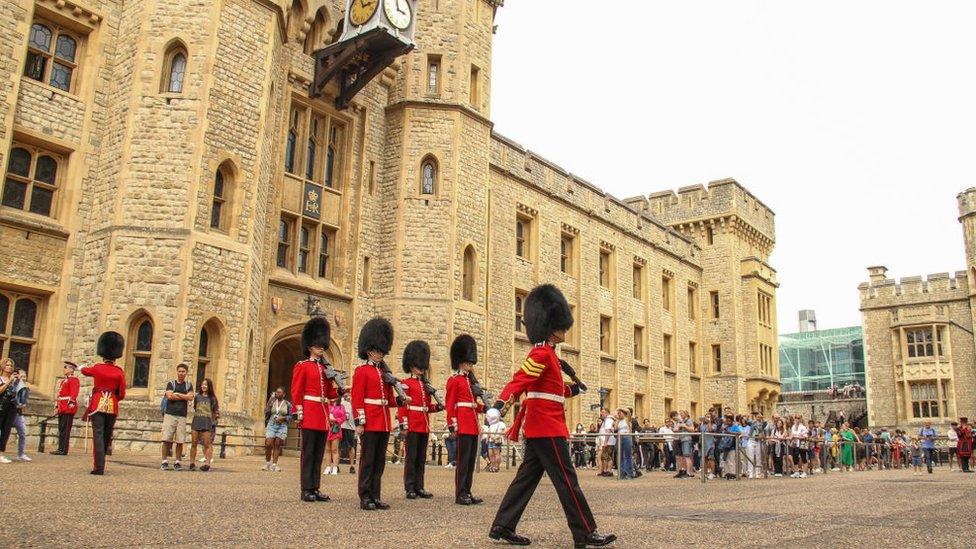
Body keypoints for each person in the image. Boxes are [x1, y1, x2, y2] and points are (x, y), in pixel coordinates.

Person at [489, 284, 616, 548]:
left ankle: (503, 525)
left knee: (525, 479)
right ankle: (585, 532)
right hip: (547, 428)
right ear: (549, 325)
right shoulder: (541, 353)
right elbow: (521, 380)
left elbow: (551, 390)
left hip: (541, 428)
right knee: (567, 480)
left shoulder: (549, 355)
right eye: (560, 324)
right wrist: (499, 404)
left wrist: (573, 389)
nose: (565, 329)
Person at [351, 317, 399, 511]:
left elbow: (389, 400)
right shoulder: (361, 371)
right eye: (377, 351)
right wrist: (360, 421)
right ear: (369, 351)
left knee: (379, 461)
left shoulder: (384, 374)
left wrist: (402, 400)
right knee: (368, 460)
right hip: (370, 421)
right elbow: (357, 398)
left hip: (383, 422)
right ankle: (365, 495)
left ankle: (375, 495)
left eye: (382, 351)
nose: (380, 354)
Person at [291, 316, 341, 502]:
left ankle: (315, 487)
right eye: (318, 345)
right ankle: (306, 489)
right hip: (310, 413)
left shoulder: (325, 369)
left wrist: (342, 390)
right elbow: (297, 391)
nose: (321, 348)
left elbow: (329, 393)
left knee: (319, 453)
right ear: (310, 346)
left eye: (322, 345)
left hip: (322, 415)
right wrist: (298, 413)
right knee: (309, 452)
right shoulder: (302, 366)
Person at [396, 340, 442, 498]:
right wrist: (404, 424)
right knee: (411, 457)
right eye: (417, 365)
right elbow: (402, 406)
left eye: (422, 366)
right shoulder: (405, 384)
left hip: (423, 425)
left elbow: (427, 408)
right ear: (411, 366)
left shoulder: (425, 386)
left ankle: (419, 486)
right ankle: (409, 487)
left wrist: (438, 407)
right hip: (413, 425)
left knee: (421, 457)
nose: (420, 369)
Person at [446, 334, 487, 505]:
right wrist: (453, 425)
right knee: (463, 462)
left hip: (472, 425)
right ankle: (460, 493)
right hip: (462, 425)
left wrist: (486, 408)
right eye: (467, 363)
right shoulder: (454, 380)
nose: (469, 366)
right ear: (460, 362)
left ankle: (467, 491)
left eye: (470, 363)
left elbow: (472, 405)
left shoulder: (470, 382)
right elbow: (451, 405)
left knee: (470, 462)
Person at [80, 331, 127, 475]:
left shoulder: (98, 368)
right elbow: (122, 393)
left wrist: (80, 367)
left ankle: (98, 466)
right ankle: (101, 462)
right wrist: (113, 398)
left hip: (97, 405)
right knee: (106, 436)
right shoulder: (119, 372)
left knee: (98, 436)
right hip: (112, 405)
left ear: (103, 354)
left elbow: (85, 371)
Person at [160, 364, 193, 471]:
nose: (181, 373)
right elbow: (170, 396)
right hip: (170, 414)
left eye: (183, 371)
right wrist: (184, 396)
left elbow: (190, 397)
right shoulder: (171, 384)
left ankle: (177, 461)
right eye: (179, 371)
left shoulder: (188, 385)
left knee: (180, 440)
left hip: (182, 416)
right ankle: (164, 461)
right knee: (166, 439)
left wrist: (177, 394)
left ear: (186, 372)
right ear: (177, 372)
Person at [188, 378, 219, 471]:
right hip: (197, 421)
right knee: (194, 443)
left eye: (205, 384)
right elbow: (195, 407)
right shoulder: (197, 397)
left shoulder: (212, 398)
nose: (204, 386)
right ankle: (192, 463)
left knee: (207, 444)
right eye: (202, 384)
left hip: (207, 423)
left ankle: (207, 464)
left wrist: (213, 422)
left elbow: (215, 411)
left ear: (209, 386)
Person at [52, 361, 81, 455]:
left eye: (66, 367)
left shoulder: (74, 379)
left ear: (71, 369)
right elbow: (59, 394)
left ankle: (63, 449)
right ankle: (60, 448)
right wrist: (57, 406)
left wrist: (70, 404)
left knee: (65, 429)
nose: (64, 369)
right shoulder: (64, 381)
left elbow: (74, 393)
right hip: (62, 406)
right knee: (61, 428)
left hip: (68, 407)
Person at [263, 387, 291, 472]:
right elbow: (266, 411)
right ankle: (268, 462)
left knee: (278, 444)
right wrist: (270, 400)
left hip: (282, 425)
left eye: (279, 392)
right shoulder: (272, 402)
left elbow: (290, 416)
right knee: (268, 443)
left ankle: (274, 464)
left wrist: (283, 418)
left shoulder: (288, 404)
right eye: (277, 392)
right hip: (272, 424)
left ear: (284, 394)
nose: (277, 394)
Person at [0, 358, 18, 464]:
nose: (9, 367)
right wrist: (8, 382)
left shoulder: (14, 380)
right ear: (2, 366)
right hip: (1, 406)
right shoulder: (2, 379)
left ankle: (1, 454)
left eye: (11, 365)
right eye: (7, 365)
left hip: (11, 407)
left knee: (6, 430)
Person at [323, 398, 346, 476]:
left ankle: (335, 467)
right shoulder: (327, 405)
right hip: (327, 428)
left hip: (335, 429)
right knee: (327, 449)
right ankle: (328, 467)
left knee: (334, 449)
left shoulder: (341, 406)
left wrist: (336, 420)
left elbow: (343, 418)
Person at [11, 369, 30, 462]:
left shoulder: (25, 388)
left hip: (18, 414)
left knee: (22, 433)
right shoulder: (13, 385)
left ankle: (21, 454)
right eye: (21, 376)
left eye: (24, 376)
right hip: (10, 413)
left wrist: (22, 405)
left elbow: (24, 402)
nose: (23, 378)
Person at [340, 392, 357, 474]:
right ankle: (338, 465)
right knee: (341, 447)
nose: (348, 396)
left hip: (349, 427)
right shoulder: (343, 403)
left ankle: (351, 466)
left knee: (350, 447)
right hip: (344, 426)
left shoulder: (352, 404)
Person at [485, 408, 506, 473]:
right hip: (491, 440)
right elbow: (489, 431)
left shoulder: (501, 423)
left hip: (497, 440)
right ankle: (493, 466)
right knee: (490, 454)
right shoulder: (491, 423)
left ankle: (497, 467)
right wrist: (488, 438)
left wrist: (496, 437)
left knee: (496, 453)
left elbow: (503, 431)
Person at [616, 409, 635, 479]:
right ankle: (622, 474)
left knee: (627, 456)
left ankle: (629, 473)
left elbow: (628, 412)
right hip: (620, 438)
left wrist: (620, 409)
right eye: (618, 413)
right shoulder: (618, 421)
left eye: (620, 413)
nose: (619, 414)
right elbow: (615, 428)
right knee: (620, 456)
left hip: (626, 437)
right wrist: (617, 419)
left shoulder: (627, 419)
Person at [597, 408, 615, 477]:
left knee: (607, 456)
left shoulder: (608, 420)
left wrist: (605, 442)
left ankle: (609, 470)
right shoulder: (606, 420)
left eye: (603, 412)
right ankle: (606, 470)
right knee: (605, 456)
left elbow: (608, 431)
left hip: (609, 441)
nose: (601, 413)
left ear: (607, 413)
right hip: (607, 441)